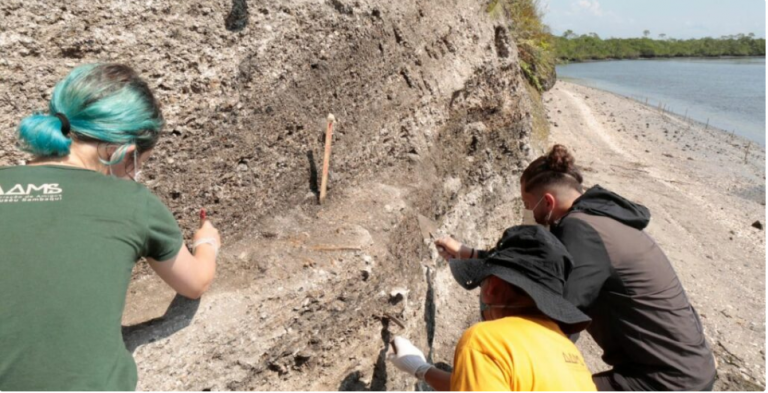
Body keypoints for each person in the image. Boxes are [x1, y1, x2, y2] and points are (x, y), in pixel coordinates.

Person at [0, 64, 221, 391]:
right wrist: (206, 244)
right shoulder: (132, 202)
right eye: (138, 166)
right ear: (125, 153)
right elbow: (194, 283)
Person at [437, 144, 716, 391]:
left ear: (547, 202)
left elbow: (548, 314)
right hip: (688, 365)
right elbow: (536, 267)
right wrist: (470, 255)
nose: (528, 214)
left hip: (665, 381)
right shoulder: (603, 218)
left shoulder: (580, 232)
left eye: (527, 205)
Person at [388, 226, 597, 391]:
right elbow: (483, 384)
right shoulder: (566, 348)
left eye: (482, 283)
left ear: (494, 288)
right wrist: (421, 370)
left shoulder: (485, 340)